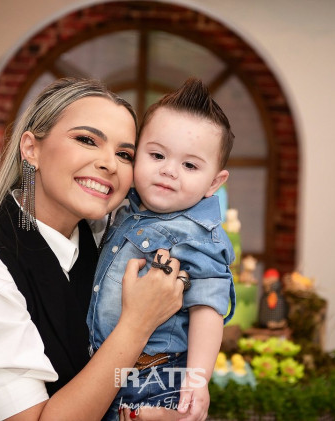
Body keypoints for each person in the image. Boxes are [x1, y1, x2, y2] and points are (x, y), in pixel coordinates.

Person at [0, 78, 197, 421]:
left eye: (124, 154)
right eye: (87, 140)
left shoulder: (109, 245)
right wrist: (137, 324)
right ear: (31, 149)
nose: (110, 164)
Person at [87, 78, 236, 420]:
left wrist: (198, 378)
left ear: (214, 182)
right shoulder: (126, 208)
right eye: (157, 155)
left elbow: (208, 308)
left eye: (190, 165)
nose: (169, 170)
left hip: (153, 379)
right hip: (102, 367)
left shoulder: (199, 236)